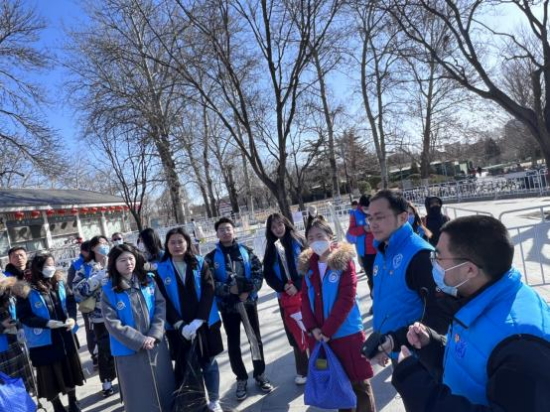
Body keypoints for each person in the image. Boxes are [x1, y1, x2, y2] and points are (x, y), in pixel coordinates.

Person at [391, 215, 550, 411]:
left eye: (439, 258)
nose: (433, 264)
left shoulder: (521, 346)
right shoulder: (482, 297)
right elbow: (474, 359)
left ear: (469, 270)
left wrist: (416, 388)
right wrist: (432, 345)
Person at [298, 216, 376, 412]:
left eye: (319, 236)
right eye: (310, 238)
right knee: (338, 386)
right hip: (320, 337)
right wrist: (313, 328)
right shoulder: (308, 268)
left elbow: (346, 298)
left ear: (330, 237)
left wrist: (327, 330)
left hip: (347, 334)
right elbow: (304, 300)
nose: (315, 241)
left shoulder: (343, 263)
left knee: (359, 384)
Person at [367, 190, 453, 364]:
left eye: (380, 217)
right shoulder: (383, 250)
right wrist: (383, 342)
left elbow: (440, 316)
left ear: (403, 217)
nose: (373, 224)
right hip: (396, 351)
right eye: (370, 218)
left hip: (422, 357)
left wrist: (395, 340)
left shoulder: (420, 256)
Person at [156, 228, 224, 412]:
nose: (177, 246)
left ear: (187, 243)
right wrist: (180, 324)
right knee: (186, 365)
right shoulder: (160, 270)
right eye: (172, 242)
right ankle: (194, 403)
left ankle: (214, 400)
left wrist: (199, 320)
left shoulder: (200, 263)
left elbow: (209, 290)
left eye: (180, 241)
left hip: (204, 323)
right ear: (166, 245)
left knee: (209, 363)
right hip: (178, 328)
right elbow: (162, 300)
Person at [205, 217, 272, 401]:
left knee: (255, 340)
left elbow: (258, 273)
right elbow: (210, 281)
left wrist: (249, 290)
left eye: (228, 228)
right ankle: (241, 378)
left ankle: (260, 374)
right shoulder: (211, 257)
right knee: (233, 344)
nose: (226, 232)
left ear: (233, 230)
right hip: (228, 308)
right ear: (217, 233)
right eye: (222, 230)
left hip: (248, 304)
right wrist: (229, 290)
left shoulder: (246, 251)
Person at [101, 244, 175, 412]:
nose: (128, 263)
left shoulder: (148, 281)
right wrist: (140, 340)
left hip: (155, 344)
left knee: (164, 387)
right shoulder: (108, 291)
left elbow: (160, 306)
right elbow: (112, 323)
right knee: (139, 394)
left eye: (130, 258)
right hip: (128, 350)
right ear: (114, 264)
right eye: (122, 260)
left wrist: (154, 334)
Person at [14, 254, 84, 412]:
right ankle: (57, 405)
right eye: (47, 265)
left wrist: (72, 318)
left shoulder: (59, 282)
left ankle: (73, 401)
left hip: (65, 334)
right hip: (43, 340)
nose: (51, 268)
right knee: (49, 375)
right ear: (38, 267)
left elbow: (70, 300)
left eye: (53, 264)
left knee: (70, 369)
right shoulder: (25, 289)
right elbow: (24, 316)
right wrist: (46, 323)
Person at [263, 213, 308, 385]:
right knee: (294, 332)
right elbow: (268, 273)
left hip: (305, 293)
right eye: (273, 227)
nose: (278, 229)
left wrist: (298, 284)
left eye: (280, 224)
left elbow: (309, 264)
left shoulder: (298, 240)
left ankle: (321, 366)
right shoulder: (271, 248)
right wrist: (283, 287)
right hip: (285, 298)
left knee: (311, 328)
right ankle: (303, 370)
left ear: (286, 223)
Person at [73, 235, 116, 397]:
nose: (103, 246)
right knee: (104, 349)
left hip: (120, 312)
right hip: (99, 316)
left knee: (122, 346)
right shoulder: (85, 268)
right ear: (92, 248)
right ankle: (106, 381)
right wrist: (96, 280)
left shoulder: (115, 261)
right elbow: (77, 292)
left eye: (105, 243)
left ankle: (123, 376)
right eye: (100, 244)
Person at [0, 275, 35, 395]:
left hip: (17, 344)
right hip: (3, 352)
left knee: (24, 385)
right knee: (8, 390)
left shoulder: (10, 290)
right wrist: (1, 326)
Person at [67, 241, 98, 370]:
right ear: (84, 252)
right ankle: (95, 356)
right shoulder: (76, 265)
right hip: (88, 304)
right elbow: (71, 286)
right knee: (91, 330)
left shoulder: (98, 260)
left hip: (103, 302)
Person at [347, 195, 376, 302]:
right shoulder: (355, 214)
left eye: (370, 208)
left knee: (382, 276)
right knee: (371, 277)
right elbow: (351, 231)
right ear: (361, 206)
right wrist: (363, 229)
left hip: (379, 249)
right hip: (365, 253)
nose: (368, 210)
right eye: (365, 208)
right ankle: (375, 301)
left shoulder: (376, 210)